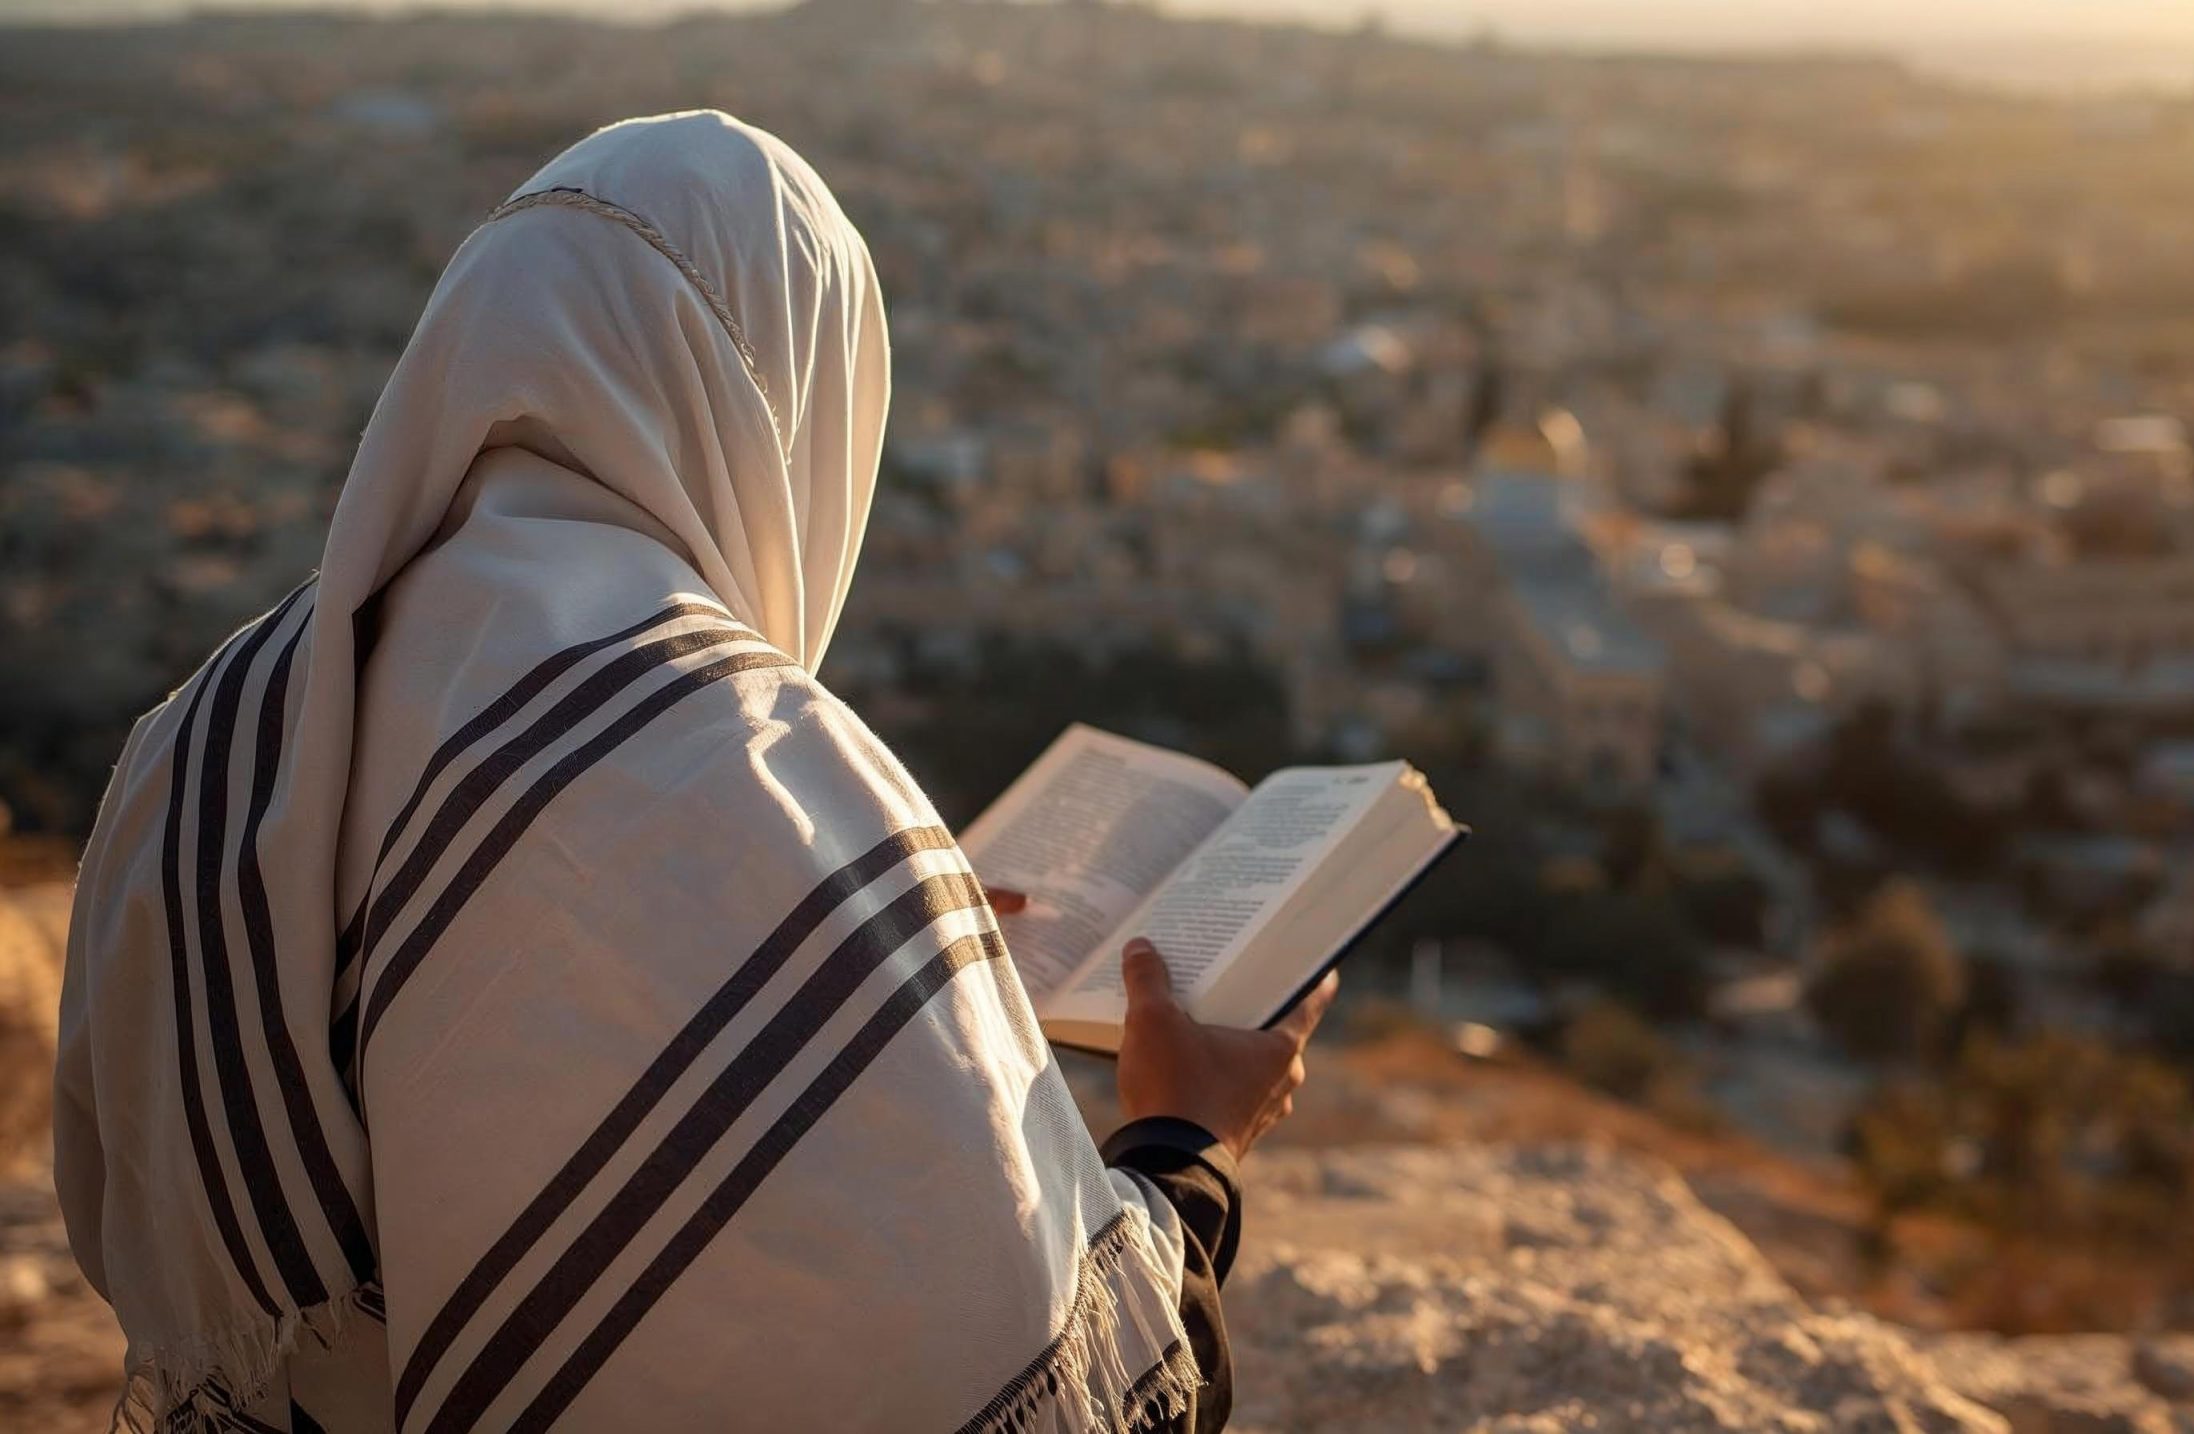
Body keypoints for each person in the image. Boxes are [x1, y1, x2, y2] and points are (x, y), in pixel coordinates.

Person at [53, 110, 1330, 1433]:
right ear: (802, 418)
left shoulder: (205, 738)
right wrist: (1192, 1137)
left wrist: (865, 953)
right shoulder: (749, 766)